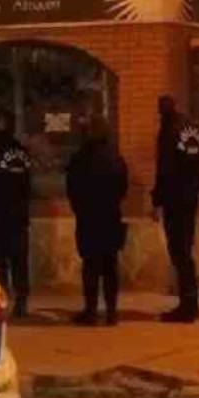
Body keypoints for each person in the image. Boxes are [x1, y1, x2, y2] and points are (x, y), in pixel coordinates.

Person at [67, 118, 129, 326]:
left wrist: (80, 208)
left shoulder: (79, 159)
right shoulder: (116, 159)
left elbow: (72, 189)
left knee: (90, 266)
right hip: (111, 216)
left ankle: (91, 311)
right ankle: (111, 312)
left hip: (88, 218)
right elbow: (123, 188)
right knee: (110, 266)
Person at [152, 96, 199, 324]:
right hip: (190, 199)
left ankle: (188, 306)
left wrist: (157, 200)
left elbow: (164, 169)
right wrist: (195, 189)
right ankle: (191, 304)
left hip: (175, 200)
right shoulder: (193, 128)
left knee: (179, 252)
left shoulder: (169, 131)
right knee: (186, 251)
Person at [0, 110, 33, 317]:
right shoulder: (21, 151)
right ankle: (21, 300)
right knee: (19, 260)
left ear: (2, 123)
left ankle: (1, 299)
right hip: (19, 215)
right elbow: (27, 184)